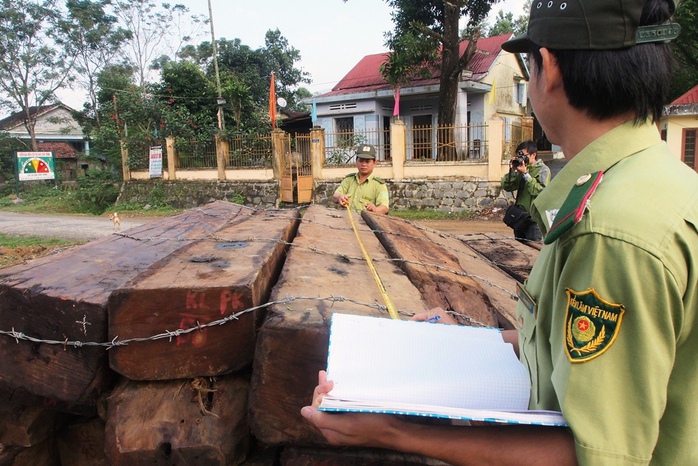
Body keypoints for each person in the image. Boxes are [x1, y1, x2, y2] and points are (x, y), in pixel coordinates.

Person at [301, 0, 698, 464]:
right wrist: (465, 339)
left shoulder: (609, 231)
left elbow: (593, 455)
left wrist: (391, 430)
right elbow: (568, 346)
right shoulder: (659, 185)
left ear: (546, 69)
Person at [501, 140, 550, 241]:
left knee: (533, 251)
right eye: (519, 155)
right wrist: (513, 171)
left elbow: (539, 191)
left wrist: (526, 174)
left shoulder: (543, 170)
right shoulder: (521, 168)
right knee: (519, 250)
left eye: (524, 155)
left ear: (533, 155)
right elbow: (507, 186)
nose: (521, 158)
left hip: (534, 220)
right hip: (520, 217)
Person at [332, 144, 389, 214]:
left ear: (375, 163)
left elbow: (384, 207)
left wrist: (375, 210)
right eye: (361, 161)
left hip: (365, 223)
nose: (363, 164)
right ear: (356, 161)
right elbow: (335, 196)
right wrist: (340, 197)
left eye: (367, 161)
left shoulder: (379, 185)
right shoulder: (349, 180)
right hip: (346, 221)